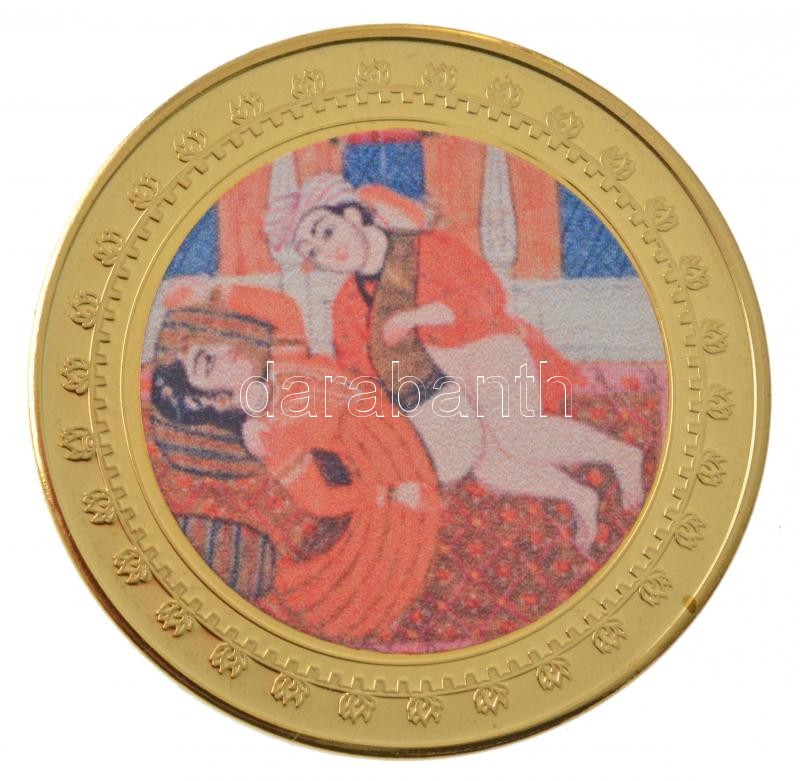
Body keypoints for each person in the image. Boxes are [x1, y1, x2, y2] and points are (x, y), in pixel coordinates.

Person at [266, 173, 645, 551]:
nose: (326, 251)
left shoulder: (426, 247)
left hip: (485, 346)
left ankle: (621, 456)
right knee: (489, 467)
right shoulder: (347, 304)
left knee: (517, 433)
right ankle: (580, 496)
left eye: (326, 232)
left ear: (351, 215)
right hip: (438, 384)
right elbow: (360, 371)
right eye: (312, 251)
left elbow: (486, 297)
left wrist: (415, 318)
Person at [149, 281, 442, 645]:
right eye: (208, 363)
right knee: (399, 553)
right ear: (216, 401)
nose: (226, 350)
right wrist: (388, 493)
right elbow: (318, 500)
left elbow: (284, 310)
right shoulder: (270, 431)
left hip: (392, 432)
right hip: (380, 467)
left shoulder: (283, 364)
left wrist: (209, 295)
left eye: (213, 346)